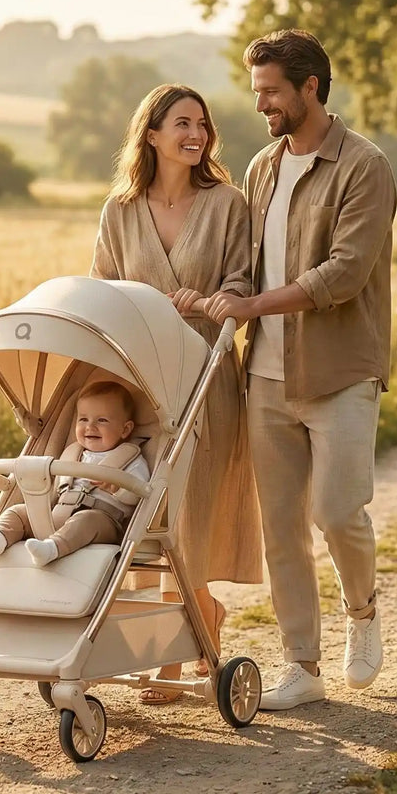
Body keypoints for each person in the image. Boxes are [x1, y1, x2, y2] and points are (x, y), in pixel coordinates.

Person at [204, 29, 397, 711]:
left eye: (271, 92)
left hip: (340, 371)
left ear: (310, 87)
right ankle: (302, 665)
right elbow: (245, 263)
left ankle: (363, 611)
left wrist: (252, 304)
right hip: (264, 375)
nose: (261, 104)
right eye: (256, 91)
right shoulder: (262, 168)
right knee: (282, 527)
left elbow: (344, 273)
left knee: (338, 511)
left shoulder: (364, 166)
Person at [91, 83, 263, 703]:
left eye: (202, 124)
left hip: (205, 378)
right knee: (144, 514)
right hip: (140, 383)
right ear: (153, 133)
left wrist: (210, 301)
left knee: (188, 515)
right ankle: (196, 621)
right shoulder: (119, 211)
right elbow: (102, 290)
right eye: (182, 123)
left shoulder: (227, 204)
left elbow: (243, 280)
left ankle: (172, 652)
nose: (196, 135)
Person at [0, 380, 149, 567]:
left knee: (86, 520)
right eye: (83, 419)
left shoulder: (131, 459)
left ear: (125, 429)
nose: (90, 427)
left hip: (103, 523)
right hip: (59, 514)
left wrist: (117, 488)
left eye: (102, 420)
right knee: (19, 511)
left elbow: (140, 494)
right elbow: (54, 491)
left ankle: (51, 549)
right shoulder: (72, 454)